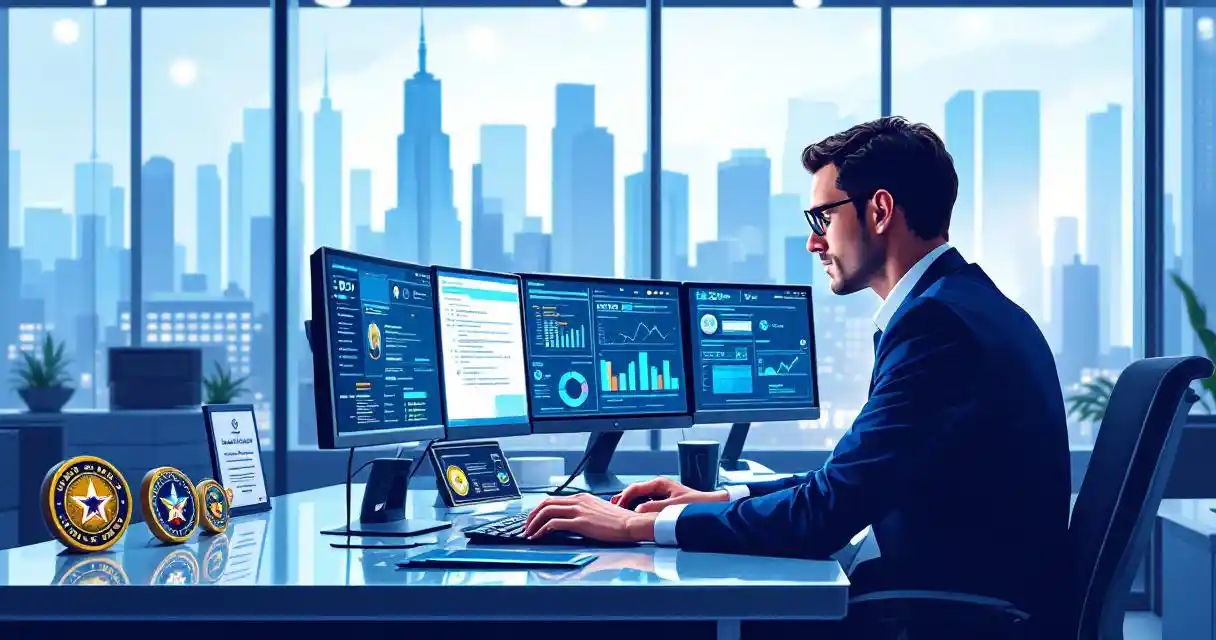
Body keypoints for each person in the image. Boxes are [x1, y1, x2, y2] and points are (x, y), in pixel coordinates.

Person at [523, 116, 1071, 637]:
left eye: (823, 218)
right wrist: (713, 498)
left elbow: (827, 514)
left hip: (952, 616)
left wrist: (633, 527)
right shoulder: (963, 305)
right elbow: (853, 483)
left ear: (879, 210)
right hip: (966, 596)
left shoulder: (938, 325)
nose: (814, 242)